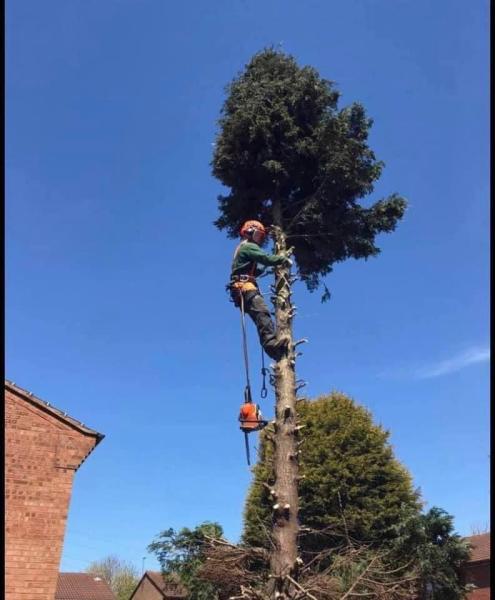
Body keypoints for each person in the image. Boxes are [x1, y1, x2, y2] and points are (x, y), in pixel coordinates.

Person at [229, 220, 291, 360]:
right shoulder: (248, 246)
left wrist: (269, 266)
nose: (259, 239)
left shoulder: (245, 249)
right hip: (245, 287)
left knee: (260, 315)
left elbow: (256, 269)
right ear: (249, 232)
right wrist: (282, 259)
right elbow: (265, 258)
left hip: (243, 288)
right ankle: (271, 345)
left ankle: (274, 350)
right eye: (258, 235)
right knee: (262, 313)